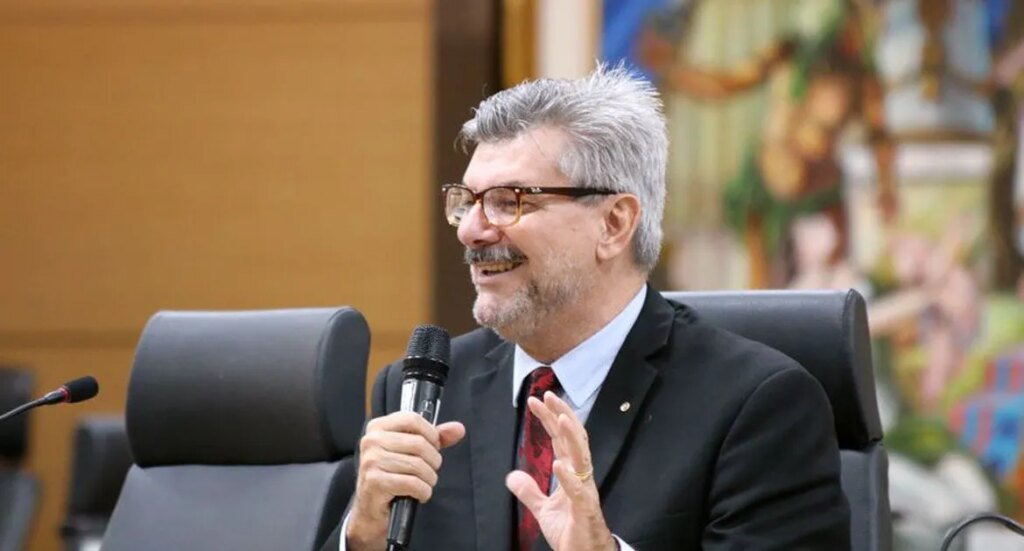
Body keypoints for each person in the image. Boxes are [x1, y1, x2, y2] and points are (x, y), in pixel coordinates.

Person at [322, 65, 850, 551]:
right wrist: (362, 535)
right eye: (467, 201)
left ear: (614, 224)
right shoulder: (421, 394)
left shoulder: (757, 406)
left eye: (508, 201)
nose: (471, 230)